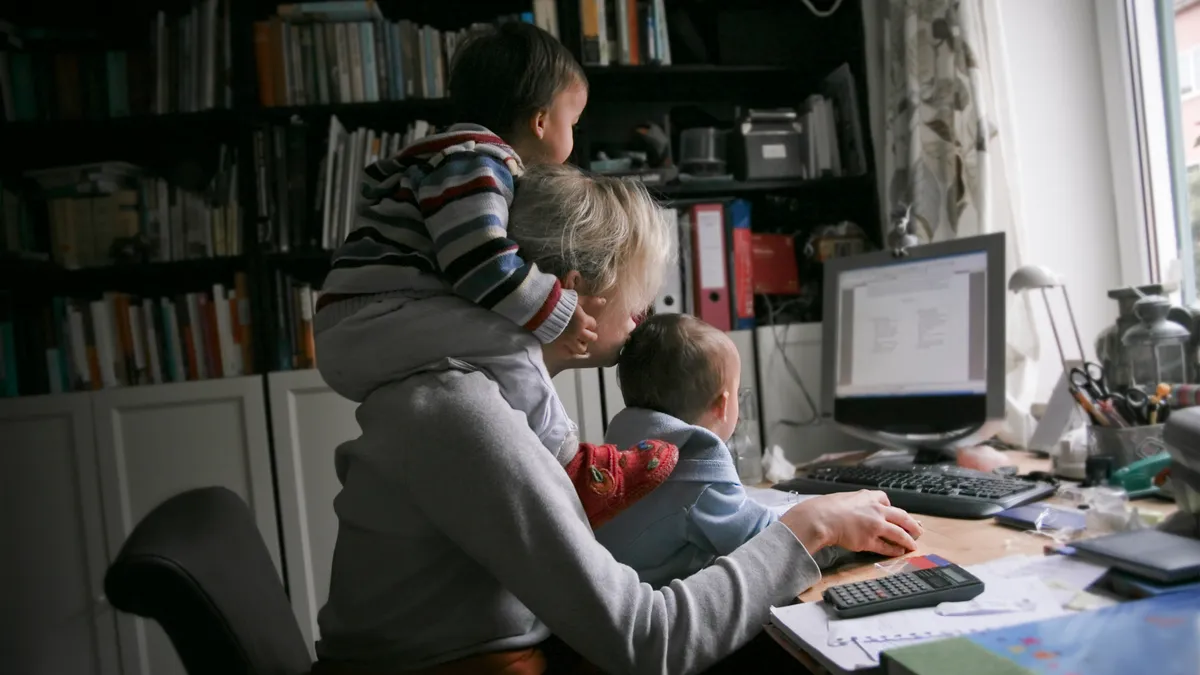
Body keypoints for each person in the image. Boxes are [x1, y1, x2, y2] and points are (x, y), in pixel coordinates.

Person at [312, 164, 924, 675]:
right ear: (577, 290)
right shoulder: (465, 414)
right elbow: (646, 642)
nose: (642, 316)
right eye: (638, 296)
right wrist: (809, 530)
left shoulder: (488, 396)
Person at [314, 22, 678, 527]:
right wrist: (558, 311)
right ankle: (580, 472)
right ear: (540, 121)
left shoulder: (456, 160)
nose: (574, 137)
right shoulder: (475, 162)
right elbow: (481, 264)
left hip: (370, 322)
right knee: (513, 342)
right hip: (375, 317)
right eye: (574, 120)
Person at [594, 313, 852, 588]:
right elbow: (769, 544)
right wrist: (843, 537)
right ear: (722, 404)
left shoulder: (621, 453)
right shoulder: (693, 461)